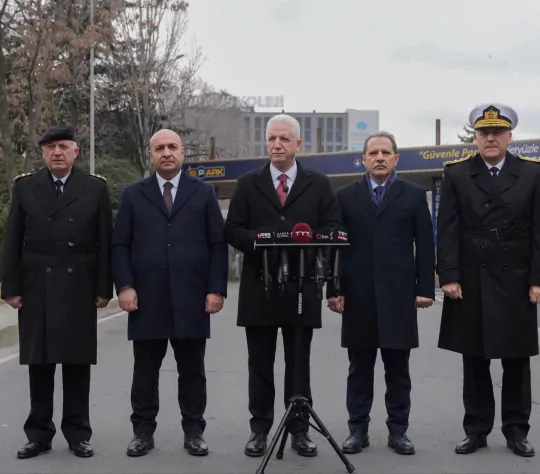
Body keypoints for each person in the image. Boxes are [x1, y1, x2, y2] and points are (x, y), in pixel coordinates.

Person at [436, 104, 540, 458]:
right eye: (483, 133)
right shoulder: (457, 174)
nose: (490, 138)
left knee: (516, 360)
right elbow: (447, 229)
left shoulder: (532, 174)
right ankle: (476, 429)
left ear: (509, 137)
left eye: (497, 133)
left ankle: (516, 430)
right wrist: (450, 275)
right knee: (473, 359)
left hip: (515, 278)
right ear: (475, 137)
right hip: (471, 278)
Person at [224, 114, 344, 458]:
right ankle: (259, 429)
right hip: (258, 288)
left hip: (301, 288)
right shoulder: (248, 183)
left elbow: (333, 228)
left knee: (299, 363)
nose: (277, 145)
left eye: (284, 139)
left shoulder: (318, 184)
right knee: (259, 364)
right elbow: (232, 230)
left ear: (298, 144)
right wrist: (263, 240)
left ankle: (300, 430)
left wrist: (303, 240)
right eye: (272, 139)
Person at [111, 129, 229, 458]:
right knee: (145, 372)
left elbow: (217, 244)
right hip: (146, 300)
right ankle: (143, 433)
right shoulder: (134, 194)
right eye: (159, 148)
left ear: (182, 152)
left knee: (192, 371)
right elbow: (119, 244)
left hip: (192, 299)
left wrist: (215, 289)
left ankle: (194, 432)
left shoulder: (203, 193)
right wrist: (124, 285)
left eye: (172, 147)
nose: (166, 152)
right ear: (151, 155)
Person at [0, 124, 113, 460]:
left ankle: (78, 432)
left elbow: (104, 241)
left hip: (79, 282)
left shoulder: (94, 189)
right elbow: (12, 240)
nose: (57, 153)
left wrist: (103, 286)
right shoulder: (26, 188)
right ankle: (39, 433)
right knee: (40, 362)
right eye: (50, 148)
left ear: (76, 151)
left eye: (64, 146)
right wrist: (11, 287)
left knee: (77, 362)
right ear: (43, 154)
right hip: (38, 285)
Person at [326, 131, 436, 455]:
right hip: (357, 296)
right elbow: (335, 247)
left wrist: (425, 288)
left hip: (399, 297)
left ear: (396, 158)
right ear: (363, 159)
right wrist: (334, 289)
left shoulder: (414, 195)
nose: (379, 158)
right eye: (373, 152)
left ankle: (398, 431)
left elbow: (425, 245)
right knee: (359, 369)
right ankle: (357, 430)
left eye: (386, 152)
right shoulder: (345, 196)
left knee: (398, 370)